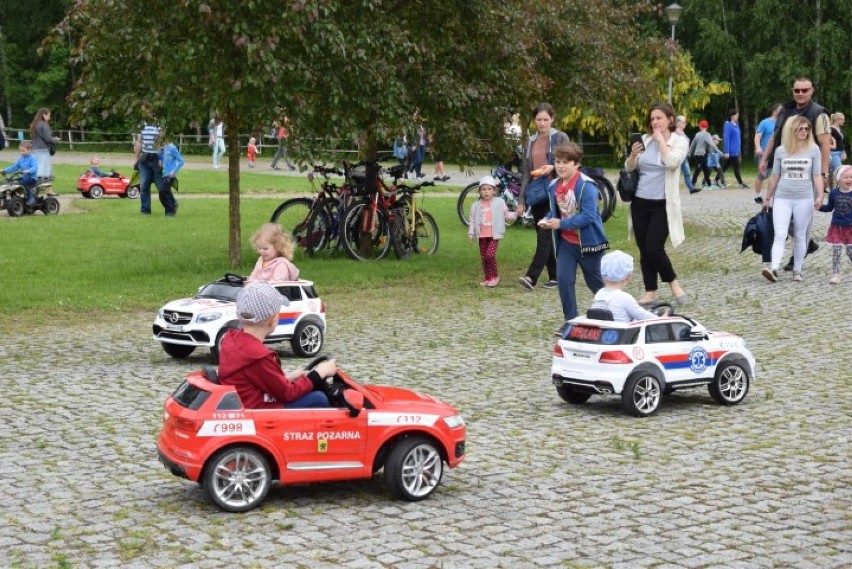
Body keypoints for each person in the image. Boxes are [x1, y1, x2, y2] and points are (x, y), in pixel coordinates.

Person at [218, 281, 334, 409]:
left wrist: (289, 378)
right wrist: (319, 373)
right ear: (273, 319)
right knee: (319, 399)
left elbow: (258, 379)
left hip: (246, 403)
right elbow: (288, 394)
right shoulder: (258, 357)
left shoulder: (231, 340)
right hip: (260, 413)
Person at [758, 77, 831, 270]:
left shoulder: (820, 113)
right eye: (797, 90)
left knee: (803, 222)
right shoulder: (785, 110)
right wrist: (765, 159)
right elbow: (775, 137)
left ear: (811, 91)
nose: (800, 93)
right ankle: (806, 245)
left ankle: (798, 256)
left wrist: (823, 175)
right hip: (783, 166)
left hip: (808, 171)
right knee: (778, 214)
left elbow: (825, 145)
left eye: (804, 90)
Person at [624, 102, 690, 306]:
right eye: (652, 119)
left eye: (659, 118)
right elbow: (629, 168)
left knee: (654, 247)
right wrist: (633, 155)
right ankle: (650, 291)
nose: (655, 122)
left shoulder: (680, 141)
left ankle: (674, 283)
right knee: (644, 248)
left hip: (663, 204)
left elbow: (672, 162)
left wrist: (661, 141)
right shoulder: (645, 139)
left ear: (670, 120)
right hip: (640, 202)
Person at [537, 142, 608, 325]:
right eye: (557, 161)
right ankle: (571, 321)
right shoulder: (554, 186)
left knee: (596, 284)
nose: (560, 166)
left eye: (565, 162)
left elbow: (589, 216)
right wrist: (547, 219)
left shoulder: (586, 186)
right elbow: (556, 211)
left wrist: (561, 223)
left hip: (589, 244)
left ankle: (617, 313)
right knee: (564, 281)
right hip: (566, 243)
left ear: (576, 164)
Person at [761, 116, 824, 282]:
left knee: (800, 235)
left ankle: (797, 269)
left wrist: (820, 195)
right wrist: (767, 198)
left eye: (806, 129)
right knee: (780, 233)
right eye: (800, 128)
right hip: (782, 197)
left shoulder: (814, 150)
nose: (803, 131)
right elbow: (775, 176)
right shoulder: (781, 150)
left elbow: (816, 175)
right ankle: (774, 268)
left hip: (804, 198)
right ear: (792, 130)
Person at [516, 102, 570, 290]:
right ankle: (555, 276)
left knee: (545, 234)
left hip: (555, 190)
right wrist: (521, 200)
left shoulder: (560, 137)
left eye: (546, 119)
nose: (542, 123)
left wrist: (554, 168)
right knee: (542, 233)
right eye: (538, 119)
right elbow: (525, 172)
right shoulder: (530, 141)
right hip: (536, 192)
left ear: (552, 119)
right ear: (534, 120)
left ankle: (531, 277)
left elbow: (572, 161)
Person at [589, 250, 660, 323]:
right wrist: (660, 318)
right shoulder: (624, 298)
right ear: (629, 276)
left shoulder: (599, 294)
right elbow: (642, 315)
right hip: (623, 332)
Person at [468, 175, 511, 287]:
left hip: (493, 235)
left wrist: (517, 213)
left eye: (489, 189)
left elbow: (507, 215)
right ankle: (487, 277)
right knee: (484, 257)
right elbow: (472, 221)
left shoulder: (499, 202)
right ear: (479, 191)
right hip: (482, 236)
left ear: (494, 191)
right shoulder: (475, 205)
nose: (486, 192)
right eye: (483, 189)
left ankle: (494, 276)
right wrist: (471, 233)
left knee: (489, 255)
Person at [818, 164, 852, 284]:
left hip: (850, 228)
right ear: (839, 179)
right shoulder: (833, 193)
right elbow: (829, 208)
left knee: (850, 251)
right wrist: (819, 207)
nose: (849, 180)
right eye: (846, 177)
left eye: (851, 177)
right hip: (836, 227)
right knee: (836, 251)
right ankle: (836, 274)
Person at [134, 105, 168, 215]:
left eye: (147, 110)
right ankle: (145, 210)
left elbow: (160, 142)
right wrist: (136, 158)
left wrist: (161, 158)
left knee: (161, 186)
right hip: (144, 158)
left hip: (156, 158)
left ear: (153, 112)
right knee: (144, 186)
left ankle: (169, 208)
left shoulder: (160, 125)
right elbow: (139, 141)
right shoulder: (141, 125)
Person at [754, 103, 783, 204]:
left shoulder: (782, 122)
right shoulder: (765, 122)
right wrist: (758, 147)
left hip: (778, 153)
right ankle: (757, 195)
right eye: (780, 108)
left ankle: (772, 196)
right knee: (762, 175)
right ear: (774, 109)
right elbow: (757, 136)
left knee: (776, 174)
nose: (782, 110)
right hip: (764, 152)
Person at [2, 141, 38, 205]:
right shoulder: (20, 159)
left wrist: (28, 171)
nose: (22, 153)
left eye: (23, 151)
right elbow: (15, 167)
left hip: (32, 178)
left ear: (29, 150)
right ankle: (13, 199)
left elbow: (35, 167)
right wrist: (5, 170)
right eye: (20, 151)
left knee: (22, 183)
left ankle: (31, 198)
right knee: (12, 182)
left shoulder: (32, 158)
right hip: (24, 177)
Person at [688, 120, 719, 189]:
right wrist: (719, 151)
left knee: (705, 170)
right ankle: (692, 184)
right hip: (701, 155)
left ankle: (709, 184)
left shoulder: (697, 134)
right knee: (698, 169)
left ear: (701, 127)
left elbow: (693, 144)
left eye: (699, 126)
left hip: (698, 154)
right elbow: (711, 144)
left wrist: (689, 152)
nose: (699, 127)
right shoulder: (707, 134)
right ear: (706, 127)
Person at [29, 108, 58, 184]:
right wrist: (55, 140)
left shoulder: (34, 124)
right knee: (45, 172)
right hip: (43, 150)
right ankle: (37, 190)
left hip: (35, 150)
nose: (49, 118)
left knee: (39, 170)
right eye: (48, 115)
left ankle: (49, 191)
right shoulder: (44, 124)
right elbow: (48, 139)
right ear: (43, 115)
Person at [721, 109, 748, 188]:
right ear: (732, 116)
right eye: (736, 115)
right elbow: (726, 138)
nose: (738, 116)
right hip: (731, 151)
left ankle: (716, 180)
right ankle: (741, 183)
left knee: (724, 167)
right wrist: (726, 151)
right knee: (736, 167)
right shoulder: (728, 125)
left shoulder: (736, 125)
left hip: (735, 150)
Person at [157, 135, 183, 216]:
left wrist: (173, 171)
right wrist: (158, 153)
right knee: (164, 192)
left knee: (162, 191)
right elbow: (164, 158)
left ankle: (171, 210)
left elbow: (181, 161)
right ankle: (171, 207)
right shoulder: (165, 147)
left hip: (170, 175)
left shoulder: (173, 148)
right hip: (164, 173)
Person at [675, 116, 699, 194]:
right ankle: (673, 189)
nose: (685, 124)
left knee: (687, 173)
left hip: (684, 157)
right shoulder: (674, 133)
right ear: (678, 123)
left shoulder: (683, 133)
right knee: (675, 174)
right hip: (677, 156)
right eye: (684, 122)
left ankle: (691, 188)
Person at [829, 112, 846, 181]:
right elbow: (827, 142)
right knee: (839, 171)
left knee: (835, 171)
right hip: (833, 153)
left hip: (840, 152)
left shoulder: (839, 129)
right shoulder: (831, 129)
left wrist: (843, 152)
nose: (844, 121)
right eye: (843, 119)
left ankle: (833, 187)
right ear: (838, 120)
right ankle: (836, 188)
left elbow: (841, 142)